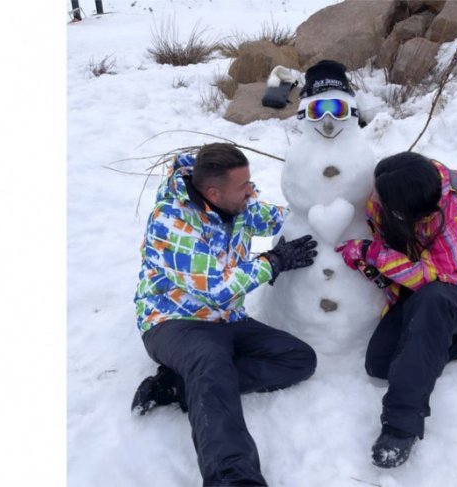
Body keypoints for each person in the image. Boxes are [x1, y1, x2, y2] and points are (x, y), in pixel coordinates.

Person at [131, 143, 319, 486]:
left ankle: (180, 386)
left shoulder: (239, 204)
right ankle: (232, 475)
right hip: (173, 321)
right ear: (214, 192)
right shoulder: (171, 221)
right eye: (244, 187)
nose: (252, 192)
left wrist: (328, 213)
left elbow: (278, 218)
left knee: (298, 359)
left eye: (250, 183)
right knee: (210, 362)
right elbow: (217, 288)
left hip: (226, 319)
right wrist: (273, 262)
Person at [336, 151, 457, 469]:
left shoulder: (456, 217)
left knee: (434, 298)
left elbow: (427, 277)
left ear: (408, 210)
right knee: (380, 364)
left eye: (379, 195)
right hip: (417, 295)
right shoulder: (391, 191)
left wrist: (370, 252)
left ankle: (401, 425)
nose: (372, 198)